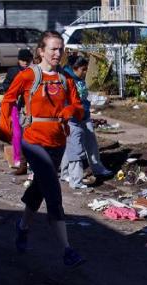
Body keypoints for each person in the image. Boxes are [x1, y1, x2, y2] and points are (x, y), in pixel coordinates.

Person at [0, 31, 86, 267]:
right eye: (53, 49)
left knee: (39, 187)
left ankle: (23, 226)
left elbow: (79, 106)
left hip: (58, 141)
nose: (58, 53)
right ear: (41, 51)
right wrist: (7, 130)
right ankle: (67, 250)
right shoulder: (28, 76)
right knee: (53, 192)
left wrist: (71, 111)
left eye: (61, 49)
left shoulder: (66, 79)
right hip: (33, 140)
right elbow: (7, 99)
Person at [60, 55, 111, 188]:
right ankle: (67, 174)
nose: (85, 72)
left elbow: (83, 97)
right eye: (83, 69)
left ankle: (97, 168)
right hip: (72, 118)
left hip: (84, 114)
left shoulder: (79, 79)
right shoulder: (67, 79)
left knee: (91, 142)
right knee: (73, 147)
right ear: (74, 68)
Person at [0, 48, 33, 175]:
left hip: (29, 107)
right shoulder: (13, 71)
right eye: (23, 61)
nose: (25, 63)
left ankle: (28, 163)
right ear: (19, 60)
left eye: (27, 60)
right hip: (16, 106)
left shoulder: (34, 71)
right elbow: (6, 85)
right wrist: (16, 89)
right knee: (18, 134)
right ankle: (21, 163)